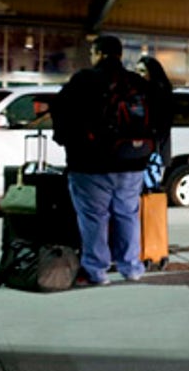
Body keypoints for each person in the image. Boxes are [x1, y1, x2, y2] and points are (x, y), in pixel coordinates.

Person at [51, 35, 156, 285]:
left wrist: (64, 140)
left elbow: (61, 112)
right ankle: (131, 267)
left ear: (98, 53)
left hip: (90, 164)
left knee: (93, 218)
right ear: (120, 55)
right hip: (132, 162)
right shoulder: (136, 82)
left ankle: (97, 271)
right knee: (128, 215)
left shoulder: (84, 80)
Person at [136, 55, 174, 182]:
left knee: (148, 187)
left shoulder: (157, 93)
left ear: (151, 72)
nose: (138, 75)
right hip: (146, 149)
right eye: (136, 71)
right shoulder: (138, 92)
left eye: (142, 71)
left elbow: (162, 125)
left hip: (152, 150)